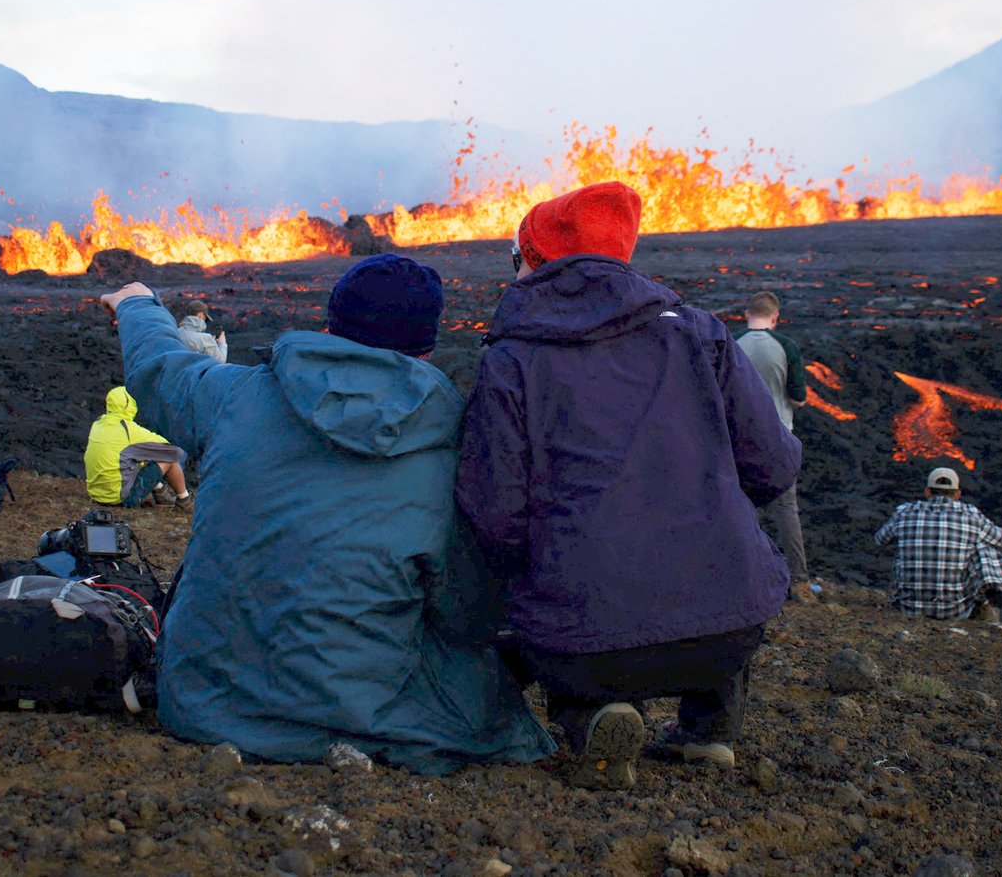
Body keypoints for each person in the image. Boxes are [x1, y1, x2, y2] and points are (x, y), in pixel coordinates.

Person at [98, 255, 554, 774]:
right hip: (358, 712)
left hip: (205, 703)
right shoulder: (451, 448)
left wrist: (137, 304)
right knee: (475, 672)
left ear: (329, 325)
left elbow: (159, 370)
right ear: (426, 349)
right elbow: (464, 615)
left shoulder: (233, 395)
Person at [455, 181, 802, 790]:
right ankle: (710, 728)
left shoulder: (512, 359)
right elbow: (772, 468)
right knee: (720, 561)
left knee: (560, 605)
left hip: (586, 634)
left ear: (533, 261)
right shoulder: (700, 334)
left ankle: (593, 717)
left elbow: (496, 514)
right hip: (727, 626)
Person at [732, 291, 815, 602]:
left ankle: (739, 576)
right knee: (785, 508)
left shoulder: (730, 341)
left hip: (735, 438)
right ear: (775, 317)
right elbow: (799, 397)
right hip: (778, 436)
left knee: (736, 505)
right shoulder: (786, 346)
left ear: (746, 313)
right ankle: (800, 582)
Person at [874, 466, 1002, 622]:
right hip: (955, 611)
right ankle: (987, 604)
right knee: (982, 547)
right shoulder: (970, 516)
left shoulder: (904, 512)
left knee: (907, 544)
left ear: (927, 492)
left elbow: (880, 540)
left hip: (907, 607)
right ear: (957, 494)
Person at [83, 386, 192, 512]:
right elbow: (174, 452)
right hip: (121, 498)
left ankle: (162, 495)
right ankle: (184, 501)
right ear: (130, 404)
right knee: (168, 458)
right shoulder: (129, 430)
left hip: (97, 495)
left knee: (133, 457)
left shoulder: (98, 423)